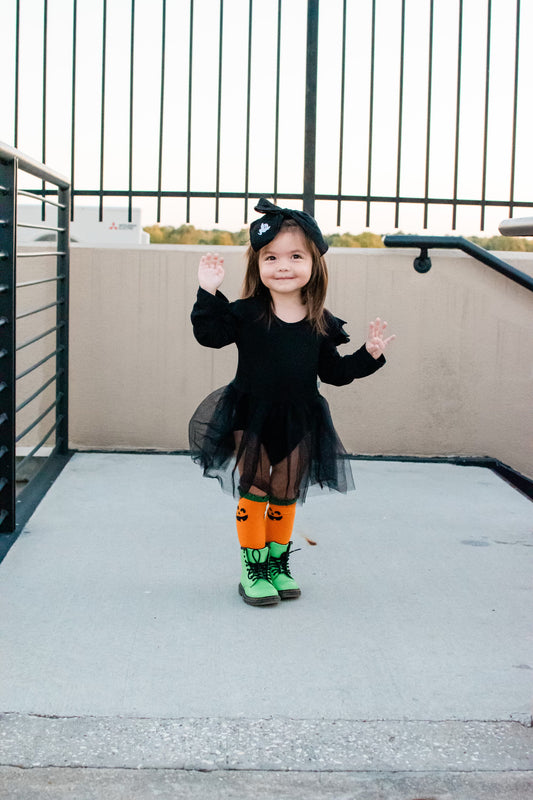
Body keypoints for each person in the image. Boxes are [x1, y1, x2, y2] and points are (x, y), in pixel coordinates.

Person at [189, 197, 395, 607]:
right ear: (258, 265)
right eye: (272, 257)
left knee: (285, 492)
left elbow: (333, 374)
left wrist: (369, 356)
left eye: (295, 256)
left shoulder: (320, 319)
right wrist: (208, 291)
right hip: (252, 414)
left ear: (314, 264)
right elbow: (208, 335)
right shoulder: (246, 312)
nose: (283, 266)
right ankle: (254, 568)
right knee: (256, 489)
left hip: (301, 417)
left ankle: (278, 562)